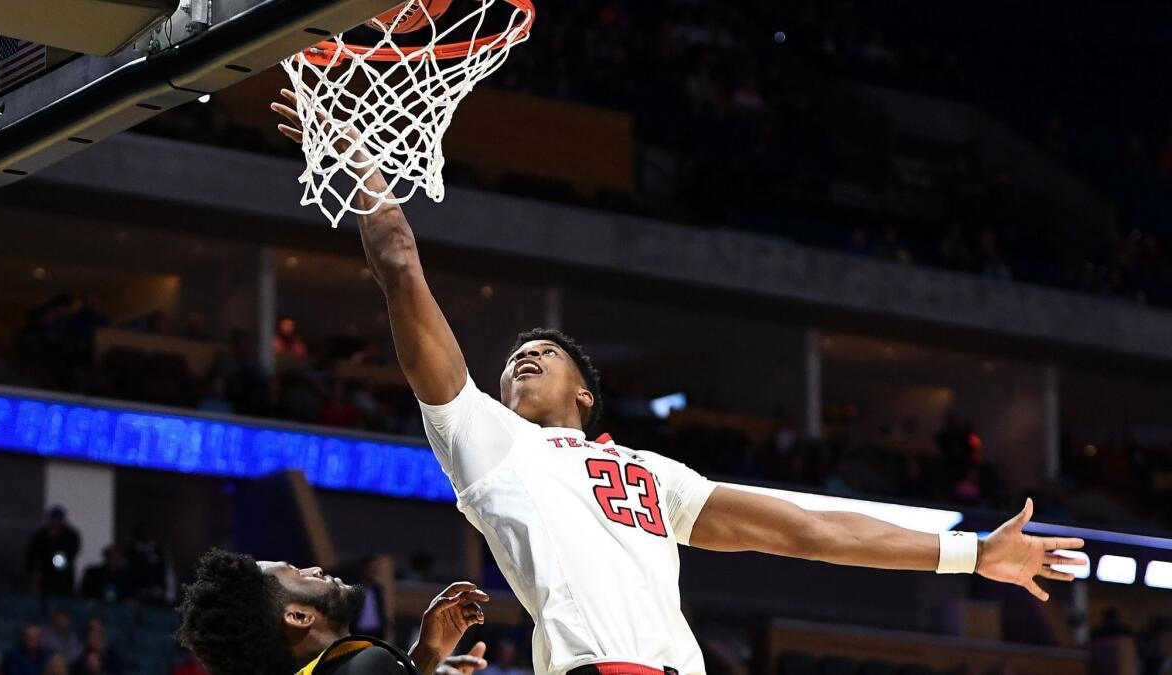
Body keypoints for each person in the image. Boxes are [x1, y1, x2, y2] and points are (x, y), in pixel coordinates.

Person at [272, 89, 1091, 675]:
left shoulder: (656, 477)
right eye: (513, 355)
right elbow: (402, 267)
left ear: (585, 393)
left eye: (543, 352)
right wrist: (363, 178)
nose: (521, 358)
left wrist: (971, 552)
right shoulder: (487, 440)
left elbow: (807, 531)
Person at [176, 549, 490, 675]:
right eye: (298, 573)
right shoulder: (365, 664)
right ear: (298, 617)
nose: (316, 569)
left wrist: (427, 655)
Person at [25, 507, 81, 597]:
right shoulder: (41, 535)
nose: (56, 522)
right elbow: (31, 555)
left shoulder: (70, 535)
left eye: (58, 519)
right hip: (44, 576)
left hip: (63, 576)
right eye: (54, 519)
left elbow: (70, 553)